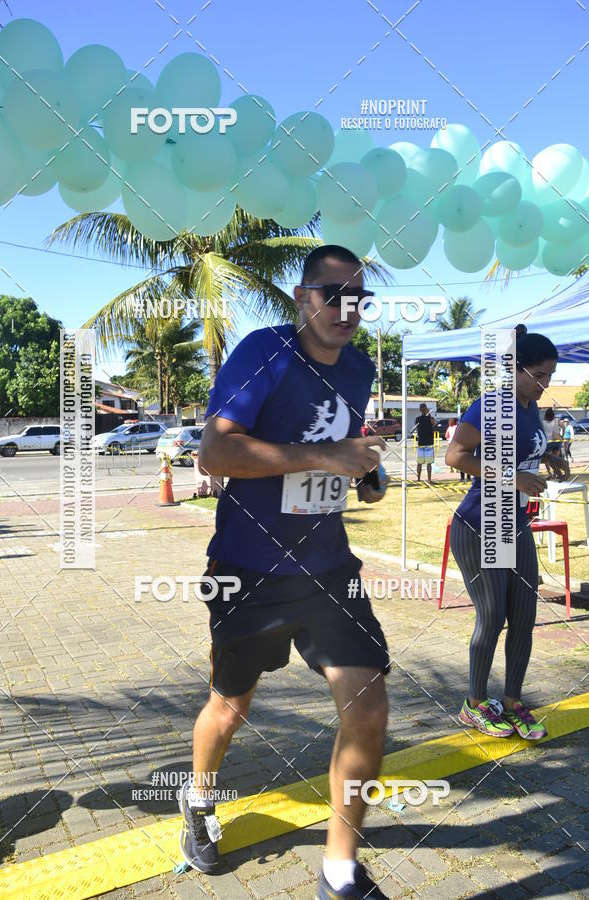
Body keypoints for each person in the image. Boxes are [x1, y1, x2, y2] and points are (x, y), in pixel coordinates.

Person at [181, 245, 391, 900]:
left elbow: (344, 447)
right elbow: (216, 451)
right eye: (334, 295)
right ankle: (198, 801)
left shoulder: (358, 368)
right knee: (231, 705)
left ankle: (339, 872)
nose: (347, 309)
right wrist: (326, 456)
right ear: (303, 299)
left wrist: (366, 472)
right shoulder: (264, 351)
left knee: (370, 703)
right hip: (249, 567)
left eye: (360, 298)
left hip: (329, 566)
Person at [445, 328, 569, 740]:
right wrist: (514, 477)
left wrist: (548, 456)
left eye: (550, 375)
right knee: (492, 616)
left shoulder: (529, 406)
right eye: (538, 374)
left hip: (514, 526)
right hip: (479, 526)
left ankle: (513, 702)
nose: (545, 384)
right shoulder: (492, 404)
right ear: (514, 369)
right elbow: (456, 456)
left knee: (525, 617)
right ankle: (475, 705)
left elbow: (522, 449)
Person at [413, 402, 435, 483]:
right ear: (426, 409)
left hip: (421, 442)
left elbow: (416, 427)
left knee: (419, 462)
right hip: (429, 442)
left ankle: (418, 479)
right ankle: (429, 480)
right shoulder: (430, 418)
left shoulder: (417, 419)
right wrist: (428, 414)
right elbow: (433, 423)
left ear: (420, 410)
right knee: (428, 463)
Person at [542, 408, 560, 478]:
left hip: (548, 442)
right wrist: (562, 435)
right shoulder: (556, 420)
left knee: (547, 459)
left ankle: (549, 473)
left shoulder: (543, 422)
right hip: (557, 441)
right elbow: (563, 426)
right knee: (556, 459)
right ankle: (555, 473)